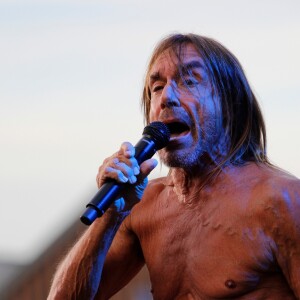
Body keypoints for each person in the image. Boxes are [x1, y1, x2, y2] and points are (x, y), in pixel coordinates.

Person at [48, 33, 300, 299]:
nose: (167, 96)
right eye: (156, 87)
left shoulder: (283, 201)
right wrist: (111, 216)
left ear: (230, 104)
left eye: (189, 81)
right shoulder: (143, 206)